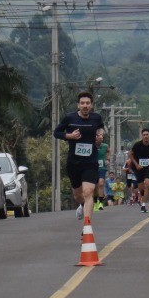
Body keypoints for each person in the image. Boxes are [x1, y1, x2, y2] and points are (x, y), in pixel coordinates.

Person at [53, 91, 107, 220]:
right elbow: (57, 132)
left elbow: (100, 128)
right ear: (78, 105)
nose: (85, 106)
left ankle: (87, 226)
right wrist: (69, 136)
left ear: (92, 105)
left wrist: (99, 136)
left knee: (88, 191)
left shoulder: (96, 118)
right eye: (82, 103)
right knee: (78, 195)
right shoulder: (70, 118)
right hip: (74, 163)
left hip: (90, 162)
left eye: (88, 103)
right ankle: (82, 205)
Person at [130, 127, 149, 213]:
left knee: (147, 184)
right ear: (142, 136)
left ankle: (143, 205)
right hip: (138, 168)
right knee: (141, 187)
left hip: (148, 167)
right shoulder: (137, 145)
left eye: (147, 135)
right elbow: (131, 155)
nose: (145, 136)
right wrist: (136, 164)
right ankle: (142, 194)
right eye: (144, 135)